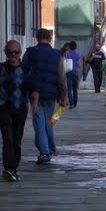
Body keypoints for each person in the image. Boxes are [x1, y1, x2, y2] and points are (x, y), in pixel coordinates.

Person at [0, 40, 33, 181]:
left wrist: (35, 104)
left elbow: (33, 87)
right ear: (5, 53)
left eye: (16, 52)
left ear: (20, 53)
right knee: (7, 139)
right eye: (10, 52)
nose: (13, 55)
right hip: (3, 108)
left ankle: (14, 167)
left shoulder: (26, 69)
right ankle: (9, 168)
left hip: (20, 109)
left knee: (17, 139)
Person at [23, 28, 67, 164]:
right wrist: (63, 95)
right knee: (49, 122)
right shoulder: (57, 54)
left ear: (37, 37)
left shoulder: (30, 52)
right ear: (50, 38)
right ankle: (50, 148)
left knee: (39, 123)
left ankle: (45, 152)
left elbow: (24, 72)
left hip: (35, 93)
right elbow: (61, 77)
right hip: (52, 93)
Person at [64, 41, 82, 109]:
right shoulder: (77, 54)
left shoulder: (66, 53)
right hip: (75, 72)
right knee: (75, 89)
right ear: (75, 47)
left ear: (69, 46)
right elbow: (79, 65)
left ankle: (71, 104)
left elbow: (64, 62)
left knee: (69, 89)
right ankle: (75, 103)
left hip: (68, 72)